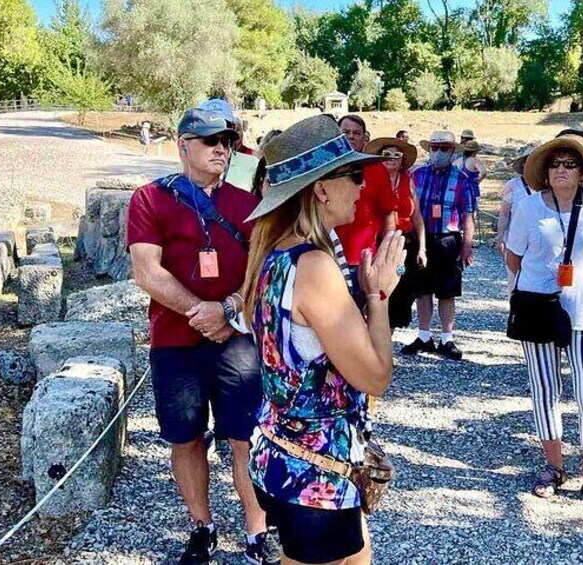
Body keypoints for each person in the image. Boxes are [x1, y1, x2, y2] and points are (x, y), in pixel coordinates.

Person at [242, 114, 403, 565]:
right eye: (353, 175)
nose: (362, 185)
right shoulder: (313, 266)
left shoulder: (273, 256)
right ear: (321, 189)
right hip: (315, 472)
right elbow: (375, 376)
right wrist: (379, 295)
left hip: (283, 457)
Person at [126, 108, 278, 565]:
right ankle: (201, 525)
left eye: (227, 140)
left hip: (238, 341)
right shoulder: (150, 199)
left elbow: (263, 271)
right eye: (209, 138)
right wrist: (201, 313)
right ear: (182, 144)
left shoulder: (249, 205)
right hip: (176, 341)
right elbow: (146, 271)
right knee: (185, 437)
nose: (220, 148)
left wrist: (228, 309)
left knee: (245, 436)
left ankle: (257, 529)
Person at [506, 133, 583, 505]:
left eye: (570, 164)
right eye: (554, 163)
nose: (561, 170)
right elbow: (514, 257)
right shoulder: (528, 207)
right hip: (539, 309)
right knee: (544, 391)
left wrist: (580, 283)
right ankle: (554, 466)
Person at [402, 131, 476, 360]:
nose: (438, 153)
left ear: (452, 151)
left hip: (448, 239)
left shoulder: (462, 178)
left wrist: (467, 245)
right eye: (434, 148)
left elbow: (468, 215)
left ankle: (447, 338)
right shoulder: (417, 175)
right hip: (421, 240)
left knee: (447, 292)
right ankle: (424, 335)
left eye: (444, 148)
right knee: (422, 289)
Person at [365, 135, 426, 330]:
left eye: (396, 154)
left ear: (401, 160)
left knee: (400, 288)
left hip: (404, 243)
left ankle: (387, 341)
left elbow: (417, 215)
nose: (391, 157)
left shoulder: (408, 180)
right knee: (377, 290)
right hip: (378, 242)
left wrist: (422, 248)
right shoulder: (370, 178)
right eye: (387, 154)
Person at [335, 114, 397, 271]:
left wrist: (386, 253)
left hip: (363, 259)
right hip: (327, 256)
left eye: (357, 133)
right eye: (346, 132)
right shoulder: (323, 169)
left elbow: (388, 213)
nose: (351, 136)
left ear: (364, 138)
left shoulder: (377, 170)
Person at [495, 145, 536, 291]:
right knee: (514, 283)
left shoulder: (548, 186)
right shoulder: (513, 185)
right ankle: (515, 312)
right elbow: (505, 213)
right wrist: (500, 237)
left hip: (539, 243)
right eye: (529, 160)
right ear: (524, 163)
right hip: (514, 242)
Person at [453, 139, 487, 214]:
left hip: (457, 190)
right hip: (471, 190)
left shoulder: (458, 161)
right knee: (470, 214)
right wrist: (479, 179)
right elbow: (483, 172)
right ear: (475, 151)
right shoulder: (474, 160)